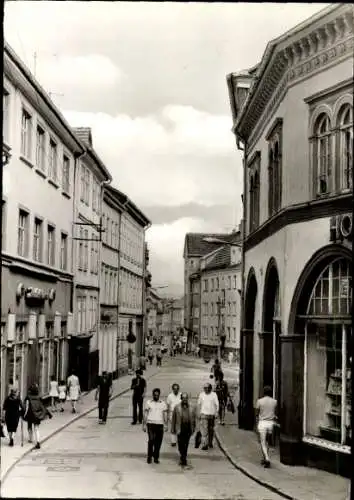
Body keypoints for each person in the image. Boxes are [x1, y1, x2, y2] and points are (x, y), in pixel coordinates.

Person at [23, 384, 52, 449]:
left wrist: (24, 414)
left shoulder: (28, 397)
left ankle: (30, 439)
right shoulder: (39, 397)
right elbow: (43, 406)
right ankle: (38, 442)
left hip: (30, 414)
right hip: (37, 414)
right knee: (36, 428)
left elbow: (26, 407)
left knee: (29, 426)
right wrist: (48, 413)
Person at [143, 388, 168, 464]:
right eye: (155, 395)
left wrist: (166, 424)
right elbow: (145, 414)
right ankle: (149, 457)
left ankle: (156, 457)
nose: (156, 396)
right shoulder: (148, 403)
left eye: (157, 395)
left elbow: (165, 414)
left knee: (158, 442)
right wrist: (144, 424)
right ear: (153, 395)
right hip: (150, 424)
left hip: (160, 425)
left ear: (159, 395)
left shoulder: (163, 403)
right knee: (151, 440)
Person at [171, 392, 196, 468]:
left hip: (188, 427)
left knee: (186, 444)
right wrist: (173, 429)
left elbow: (194, 419)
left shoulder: (191, 407)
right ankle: (182, 455)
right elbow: (174, 419)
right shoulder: (177, 407)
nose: (185, 399)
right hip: (180, 427)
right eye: (183, 398)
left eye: (186, 398)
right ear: (181, 399)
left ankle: (183, 459)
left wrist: (194, 428)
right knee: (180, 445)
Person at [255, 386, 277, 468]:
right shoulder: (274, 402)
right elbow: (275, 413)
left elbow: (256, 414)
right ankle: (264, 458)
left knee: (262, 442)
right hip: (270, 423)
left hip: (262, 423)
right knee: (267, 442)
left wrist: (257, 423)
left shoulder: (259, 401)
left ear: (264, 393)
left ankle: (267, 458)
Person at [197, 382, 219, 450]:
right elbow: (199, 404)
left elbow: (217, 404)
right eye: (204, 388)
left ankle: (210, 442)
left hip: (211, 415)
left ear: (210, 388)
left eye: (207, 388)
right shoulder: (201, 395)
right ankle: (205, 444)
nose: (206, 389)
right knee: (205, 430)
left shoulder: (214, 395)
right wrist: (199, 413)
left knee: (211, 429)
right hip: (204, 414)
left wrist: (216, 412)